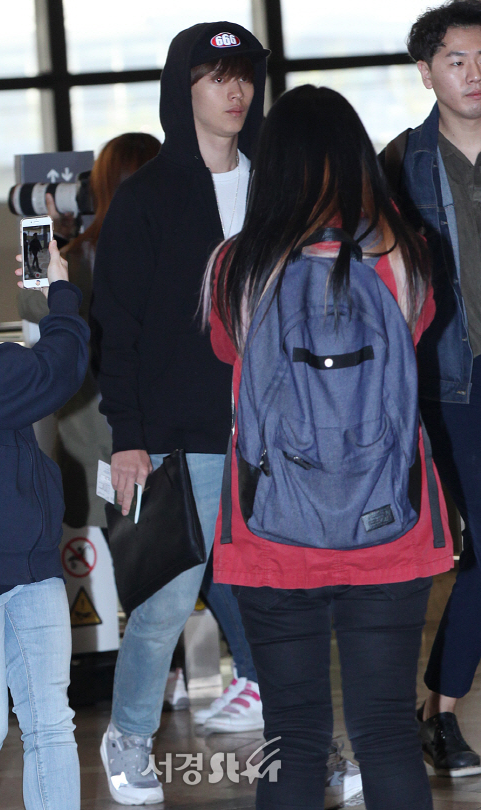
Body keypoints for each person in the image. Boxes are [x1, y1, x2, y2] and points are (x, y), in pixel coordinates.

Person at [203, 85, 455, 810]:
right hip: (392, 525)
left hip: (269, 528)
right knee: (384, 730)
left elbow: (227, 351)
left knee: (293, 733)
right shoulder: (407, 255)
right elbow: (414, 337)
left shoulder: (237, 266)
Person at [92, 21, 269, 805]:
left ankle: (302, 742)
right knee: (164, 603)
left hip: (270, 436)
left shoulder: (274, 184)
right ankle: (127, 737)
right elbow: (118, 328)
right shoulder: (149, 196)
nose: (234, 92)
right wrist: (131, 441)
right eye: (215, 77)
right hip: (177, 439)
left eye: (243, 76)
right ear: (184, 88)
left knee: (276, 596)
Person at [0, 178, 89, 810]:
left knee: (51, 722)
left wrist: (44, 287)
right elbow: (50, 373)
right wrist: (60, 293)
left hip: (24, 557)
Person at [381, 0, 481, 778]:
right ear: (427, 71)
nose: (474, 73)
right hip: (452, 388)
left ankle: (437, 709)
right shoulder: (399, 166)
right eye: (457, 60)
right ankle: (441, 711)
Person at [19, 132, 161, 530]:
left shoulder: (79, 257)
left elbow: (30, 304)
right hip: (162, 439)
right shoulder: (168, 252)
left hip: (93, 443)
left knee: (120, 557)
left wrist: (41, 236)